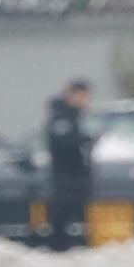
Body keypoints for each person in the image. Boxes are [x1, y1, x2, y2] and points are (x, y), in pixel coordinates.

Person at [37, 77, 101, 243]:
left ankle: (71, 241)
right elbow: (64, 142)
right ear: (71, 95)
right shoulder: (61, 116)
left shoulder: (76, 116)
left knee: (76, 211)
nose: (84, 101)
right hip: (65, 173)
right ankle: (58, 244)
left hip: (77, 173)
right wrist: (86, 139)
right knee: (61, 211)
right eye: (81, 96)